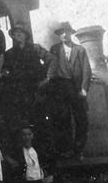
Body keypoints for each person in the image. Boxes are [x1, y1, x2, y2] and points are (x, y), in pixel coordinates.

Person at [38, 21, 92, 159]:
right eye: (61, 33)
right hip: (61, 87)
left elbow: (86, 70)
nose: (63, 35)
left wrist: (84, 89)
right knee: (63, 118)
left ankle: (78, 150)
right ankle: (67, 149)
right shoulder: (55, 48)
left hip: (76, 87)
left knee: (81, 119)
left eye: (66, 32)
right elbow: (50, 66)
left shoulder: (80, 50)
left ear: (70, 33)